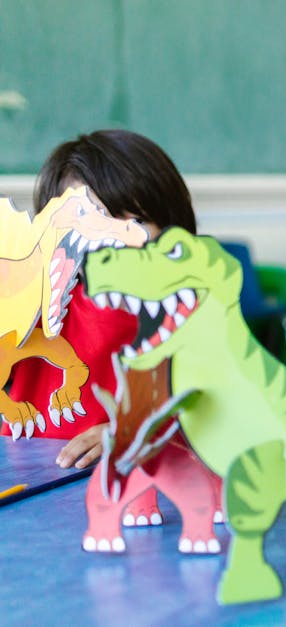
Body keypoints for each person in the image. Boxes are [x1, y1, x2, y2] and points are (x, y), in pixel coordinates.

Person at [4, 130, 197, 478]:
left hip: (138, 491)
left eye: (136, 220)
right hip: (25, 490)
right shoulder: (30, 303)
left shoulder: (186, 313)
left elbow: (212, 414)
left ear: (172, 225)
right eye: (93, 218)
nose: (111, 237)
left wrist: (138, 434)